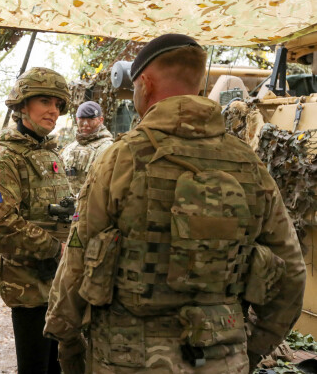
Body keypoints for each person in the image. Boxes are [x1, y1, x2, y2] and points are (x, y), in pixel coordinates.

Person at [44, 34, 306, 374]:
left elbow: (77, 260)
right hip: (222, 356)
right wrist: (249, 348)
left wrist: (67, 342)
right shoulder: (249, 164)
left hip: (126, 359)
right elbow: (292, 273)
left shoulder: (122, 158)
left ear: (145, 84)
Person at [0, 67, 73, 374]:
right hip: (29, 286)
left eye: (58, 104)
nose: (53, 111)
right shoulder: (6, 156)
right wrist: (55, 249)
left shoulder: (50, 153)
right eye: (45, 101)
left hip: (59, 282)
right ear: (22, 105)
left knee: (60, 365)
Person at [60, 101, 113, 194]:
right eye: (82, 119)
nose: (85, 124)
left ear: (101, 120)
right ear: (77, 119)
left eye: (91, 119)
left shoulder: (108, 148)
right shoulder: (69, 148)